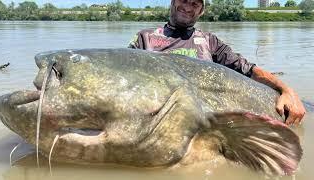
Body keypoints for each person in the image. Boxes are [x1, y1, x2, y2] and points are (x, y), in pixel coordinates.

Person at [128, 0, 306, 125]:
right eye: (183, 0)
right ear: (173, 2)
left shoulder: (209, 41)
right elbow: (124, 78)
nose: (188, 7)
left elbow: (248, 70)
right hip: (155, 119)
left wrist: (287, 90)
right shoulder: (145, 38)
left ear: (201, 11)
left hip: (202, 122)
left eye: (195, 3)